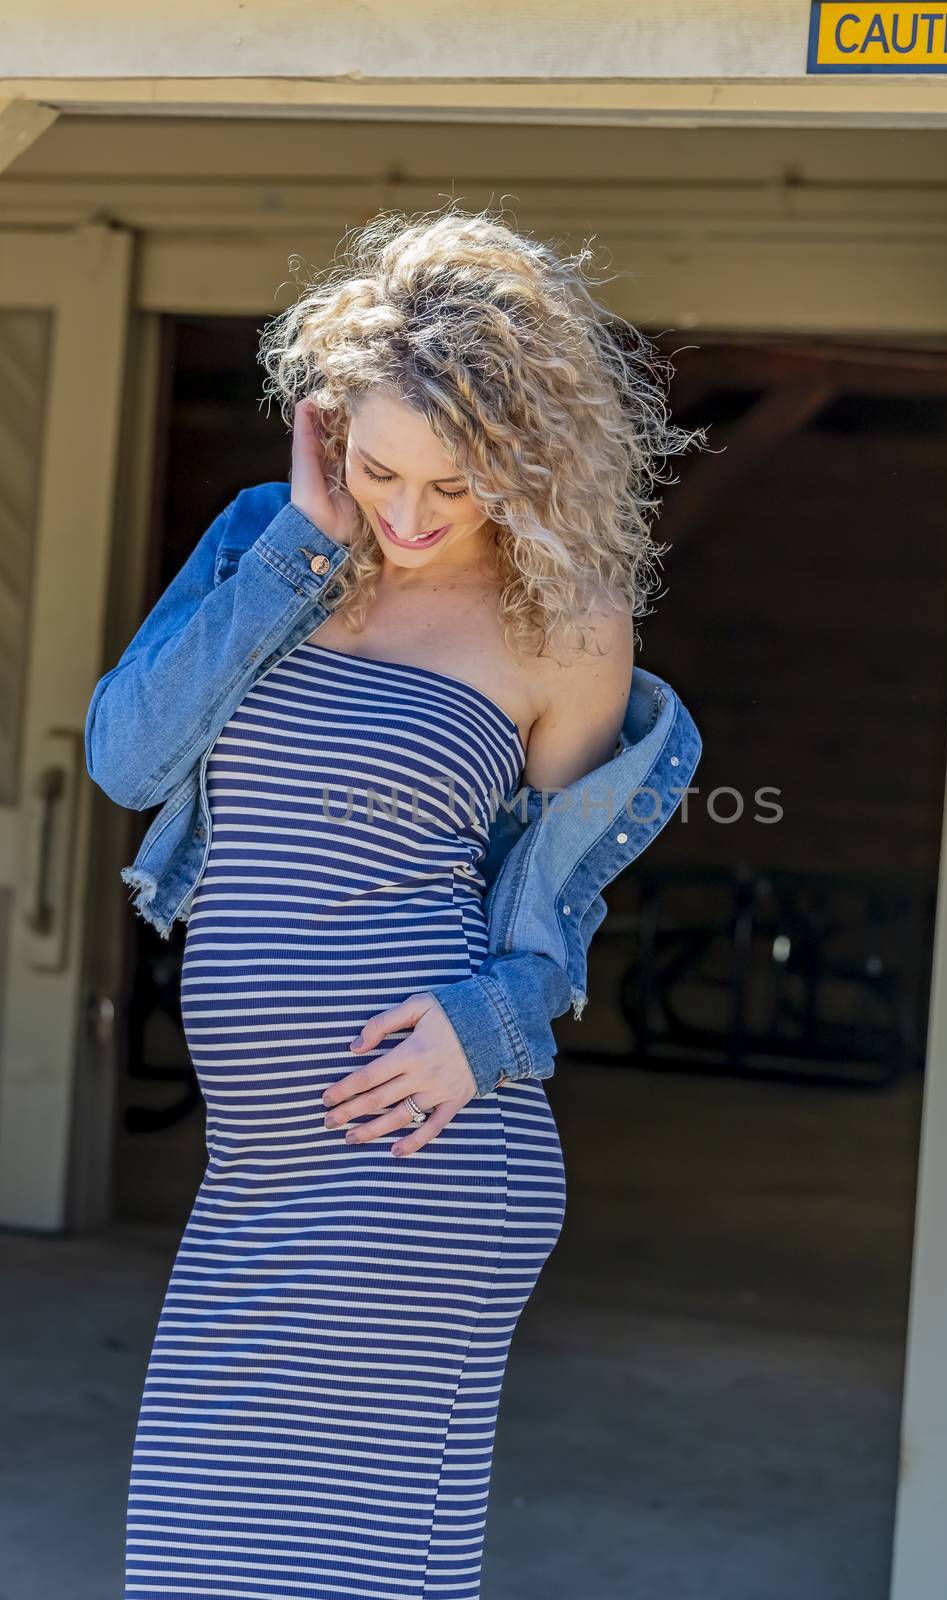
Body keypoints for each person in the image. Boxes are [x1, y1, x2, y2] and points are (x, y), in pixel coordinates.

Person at [86, 205, 704, 1600]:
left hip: (413, 1161)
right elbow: (129, 753)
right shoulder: (271, 544)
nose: (410, 520)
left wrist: (484, 1029)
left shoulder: (571, 624)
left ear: (527, 461)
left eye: (456, 485)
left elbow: (550, 903)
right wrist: (309, 545)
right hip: (254, 1178)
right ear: (325, 432)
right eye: (378, 472)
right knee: (195, 1563)